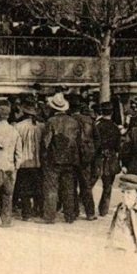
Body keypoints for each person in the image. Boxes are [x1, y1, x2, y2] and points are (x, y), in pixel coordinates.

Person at [41, 93, 81, 224]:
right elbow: (78, 142)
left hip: (53, 160)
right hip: (70, 161)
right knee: (69, 188)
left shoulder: (51, 122)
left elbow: (46, 143)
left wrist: (44, 158)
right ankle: (70, 216)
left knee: (51, 189)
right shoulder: (74, 122)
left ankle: (50, 217)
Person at [0, 102, 23, 227]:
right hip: (9, 166)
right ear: (7, 117)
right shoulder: (14, 131)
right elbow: (19, 152)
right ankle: (6, 220)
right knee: (8, 194)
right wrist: (17, 165)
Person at [13, 102, 44, 221]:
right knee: (38, 188)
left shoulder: (18, 126)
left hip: (23, 163)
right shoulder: (41, 126)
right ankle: (39, 210)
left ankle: (26, 213)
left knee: (24, 188)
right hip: (38, 162)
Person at [93, 102, 122, 218]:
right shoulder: (115, 128)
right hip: (111, 158)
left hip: (98, 157)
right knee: (108, 185)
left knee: (90, 182)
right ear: (112, 112)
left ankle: (85, 205)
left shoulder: (97, 126)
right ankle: (103, 209)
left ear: (101, 112)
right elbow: (118, 146)